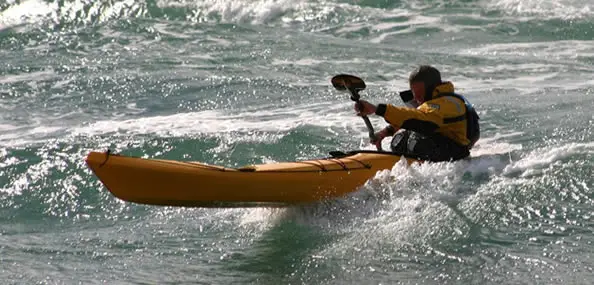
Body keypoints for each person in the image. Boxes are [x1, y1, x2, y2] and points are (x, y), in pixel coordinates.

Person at [355, 65, 480, 162]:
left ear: (432, 88)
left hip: (457, 154)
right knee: (403, 136)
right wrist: (384, 133)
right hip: (442, 144)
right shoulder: (434, 100)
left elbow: (420, 119)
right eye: (415, 95)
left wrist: (377, 109)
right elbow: (414, 119)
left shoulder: (445, 104)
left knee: (413, 139)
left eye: (419, 95)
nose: (417, 99)